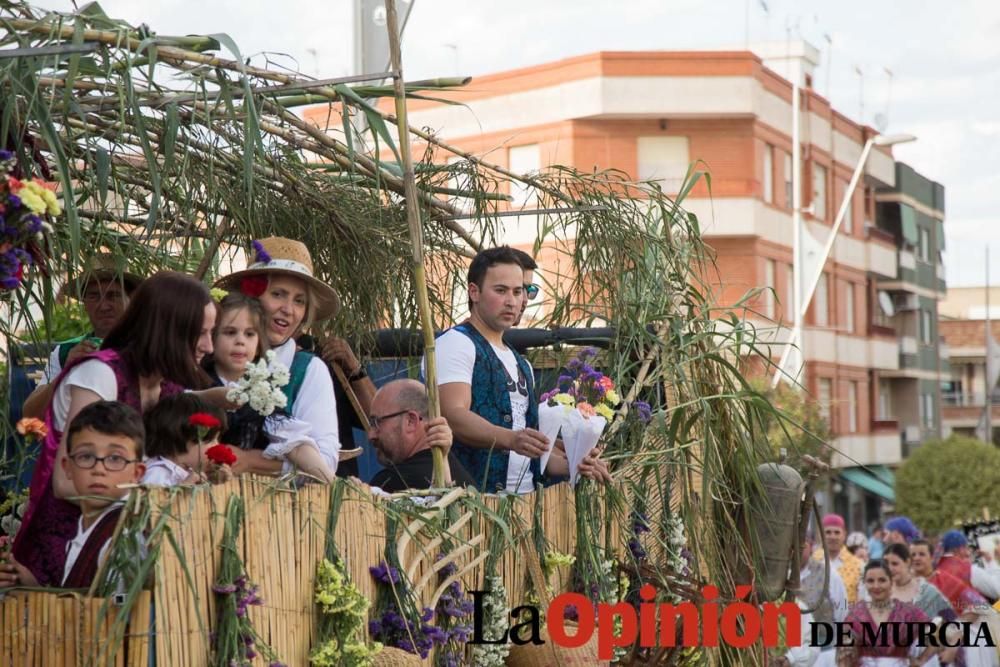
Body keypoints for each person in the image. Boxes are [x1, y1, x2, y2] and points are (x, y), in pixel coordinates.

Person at [11, 271, 217, 585]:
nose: (210, 346)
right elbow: (67, 482)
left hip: (128, 555)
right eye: (201, 333)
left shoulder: (168, 386)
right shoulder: (100, 375)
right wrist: (163, 493)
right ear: (170, 329)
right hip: (67, 561)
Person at [433, 246, 609, 493]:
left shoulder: (520, 362)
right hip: (473, 502)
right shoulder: (455, 343)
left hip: (524, 501)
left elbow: (529, 450)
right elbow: (452, 415)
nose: (512, 301)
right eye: (500, 290)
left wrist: (575, 462)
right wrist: (511, 439)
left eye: (518, 292)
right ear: (474, 291)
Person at [214, 238, 342, 479]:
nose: (288, 309)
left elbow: (325, 463)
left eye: (299, 301)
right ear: (250, 296)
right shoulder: (210, 354)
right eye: (278, 294)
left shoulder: (309, 370)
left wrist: (250, 461)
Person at [0, 401, 147, 589]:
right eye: (86, 456)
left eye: (115, 458)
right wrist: (31, 586)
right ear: (67, 467)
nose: (98, 468)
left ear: (137, 472)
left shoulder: (126, 535)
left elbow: (118, 606)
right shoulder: (87, 525)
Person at [205, 292, 334, 483]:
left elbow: (294, 444)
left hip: (248, 494)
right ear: (212, 338)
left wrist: (329, 478)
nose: (240, 341)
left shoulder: (263, 393)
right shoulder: (197, 380)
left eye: (249, 334)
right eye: (230, 332)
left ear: (258, 345)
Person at [22, 255, 142, 419]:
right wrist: (66, 372)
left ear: (131, 299)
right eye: (94, 296)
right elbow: (31, 415)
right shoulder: (65, 352)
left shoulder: (148, 347)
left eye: (113, 295)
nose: (104, 305)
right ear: (84, 302)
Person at [366, 379, 473, 493]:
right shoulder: (465, 481)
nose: (371, 435)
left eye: (376, 422)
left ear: (410, 421)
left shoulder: (393, 482)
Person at [839, 560, 940, 666]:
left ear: (891, 582)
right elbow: (844, 659)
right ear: (864, 583)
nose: (876, 586)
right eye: (870, 581)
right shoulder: (855, 616)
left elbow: (940, 634)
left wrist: (921, 660)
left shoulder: (908, 612)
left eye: (882, 580)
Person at [883, 542, 957, 667]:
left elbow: (952, 622)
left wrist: (947, 649)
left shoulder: (925, 591)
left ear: (907, 562)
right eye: (886, 564)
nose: (889, 568)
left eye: (895, 563)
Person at [142, 394, 227, 487]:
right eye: (211, 440)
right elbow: (151, 500)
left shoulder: (189, 471)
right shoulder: (157, 474)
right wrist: (183, 489)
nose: (217, 445)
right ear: (180, 438)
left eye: (217, 439)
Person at [799, 532, 848, 667]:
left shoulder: (828, 573)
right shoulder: (780, 578)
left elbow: (842, 611)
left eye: (801, 546)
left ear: (811, 547)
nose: (796, 551)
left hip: (824, 652)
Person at [814, 513, 863, 605]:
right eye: (828, 532)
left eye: (837, 532)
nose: (833, 537)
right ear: (820, 534)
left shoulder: (858, 565)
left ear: (844, 534)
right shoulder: (811, 563)